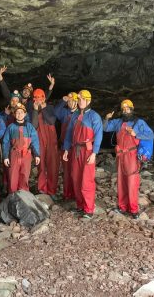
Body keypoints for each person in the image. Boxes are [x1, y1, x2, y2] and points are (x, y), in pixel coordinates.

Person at [103, 99, 154, 219]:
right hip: (121, 155)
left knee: (132, 182)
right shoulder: (118, 122)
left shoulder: (139, 122)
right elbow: (105, 128)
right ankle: (122, 207)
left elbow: (151, 135)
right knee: (121, 181)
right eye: (124, 109)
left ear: (132, 109)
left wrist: (136, 134)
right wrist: (106, 118)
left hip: (132, 155)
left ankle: (133, 209)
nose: (125, 111)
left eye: (128, 109)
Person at [62, 90, 103, 219]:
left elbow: (99, 135)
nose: (80, 102)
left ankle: (89, 209)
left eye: (82, 99)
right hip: (75, 150)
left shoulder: (94, 116)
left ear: (88, 101)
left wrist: (95, 153)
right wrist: (66, 149)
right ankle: (80, 206)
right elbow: (69, 134)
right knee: (75, 178)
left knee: (86, 180)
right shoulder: (75, 116)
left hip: (87, 151)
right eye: (79, 99)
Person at [2, 103, 41, 193]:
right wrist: (5, 156)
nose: (19, 114)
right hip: (14, 154)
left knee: (24, 177)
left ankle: (23, 199)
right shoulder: (11, 127)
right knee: (13, 177)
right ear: (14, 114)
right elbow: (6, 142)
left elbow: (35, 141)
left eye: (21, 112)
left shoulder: (29, 127)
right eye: (17, 112)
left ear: (25, 114)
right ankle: (12, 198)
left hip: (26, 154)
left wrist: (37, 155)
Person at [31, 88, 59, 197]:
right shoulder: (32, 109)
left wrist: (43, 109)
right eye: (36, 98)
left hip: (51, 142)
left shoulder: (50, 107)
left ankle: (52, 191)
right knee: (41, 166)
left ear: (44, 98)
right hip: (40, 141)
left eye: (40, 98)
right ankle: (42, 189)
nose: (38, 100)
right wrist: (34, 110)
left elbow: (51, 121)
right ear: (34, 99)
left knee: (53, 166)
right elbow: (33, 126)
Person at [54, 92, 78, 200]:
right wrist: (62, 101)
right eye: (68, 101)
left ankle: (76, 194)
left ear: (77, 102)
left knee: (76, 171)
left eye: (72, 100)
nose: (70, 102)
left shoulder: (80, 114)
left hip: (77, 147)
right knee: (67, 171)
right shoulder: (64, 112)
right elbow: (55, 112)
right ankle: (67, 194)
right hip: (65, 146)